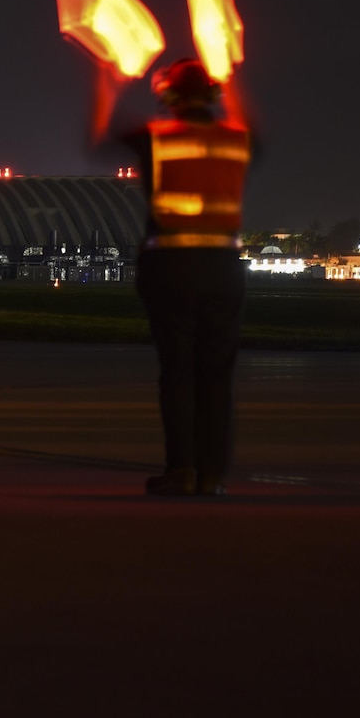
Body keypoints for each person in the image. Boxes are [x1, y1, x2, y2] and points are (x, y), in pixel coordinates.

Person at [93, 58, 255, 497]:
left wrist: (108, 75)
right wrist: (230, 67)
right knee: (217, 374)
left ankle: (181, 469)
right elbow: (247, 120)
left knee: (178, 370)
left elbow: (100, 134)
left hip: (170, 265)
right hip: (224, 267)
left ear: (168, 97)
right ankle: (213, 476)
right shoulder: (238, 139)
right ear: (213, 94)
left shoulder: (157, 137)